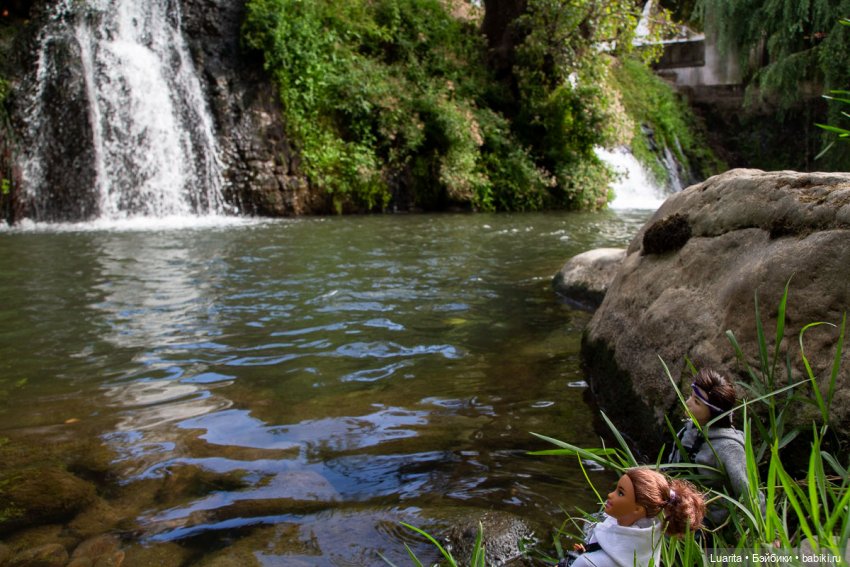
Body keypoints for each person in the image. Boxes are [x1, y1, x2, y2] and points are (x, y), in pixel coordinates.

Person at [564, 467, 705, 567]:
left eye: (620, 493)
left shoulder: (590, 563)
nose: (610, 495)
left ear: (638, 509)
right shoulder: (649, 542)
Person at [668, 367, 752, 525]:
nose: (688, 403)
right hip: (675, 503)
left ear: (713, 413)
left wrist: (765, 527)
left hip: (706, 520)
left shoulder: (729, 447)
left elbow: (747, 491)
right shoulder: (690, 429)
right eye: (691, 396)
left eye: (696, 402)